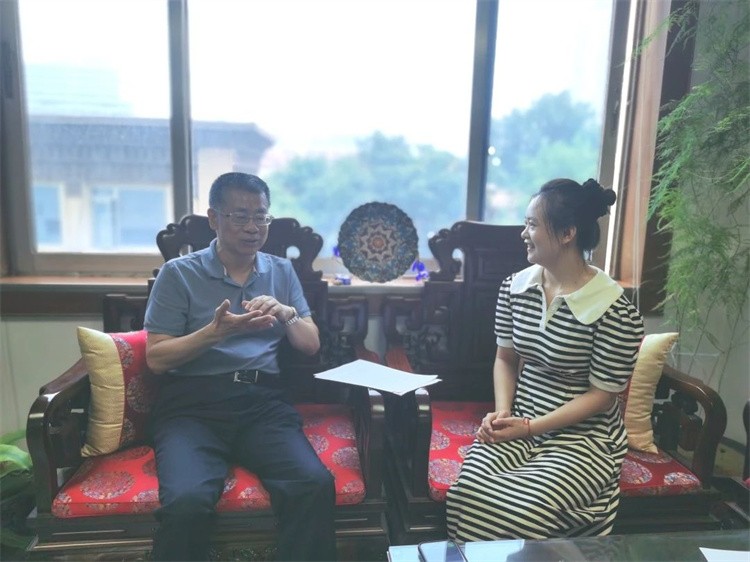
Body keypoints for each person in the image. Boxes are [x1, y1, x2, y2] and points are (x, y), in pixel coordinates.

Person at [143, 172, 336, 561]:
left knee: (312, 484)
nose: (253, 227)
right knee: (187, 502)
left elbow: (310, 344)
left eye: (261, 216)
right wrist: (214, 333)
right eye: (240, 216)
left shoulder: (280, 271)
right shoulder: (178, 273)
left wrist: (287, 314)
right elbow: (157, 358)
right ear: (214, 218)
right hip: (192, 407)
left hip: (261, 403)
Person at [445, 178, 644, 541]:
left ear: (568, 233)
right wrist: (503, 414)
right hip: (521, 420)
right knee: (467, 492)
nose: (523, 234)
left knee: (525, 509)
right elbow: (505, 359)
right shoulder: (514, 288)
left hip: (583, 437)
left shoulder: (614, 310)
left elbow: (603, 397)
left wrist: (531, 428)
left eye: (532, 225)